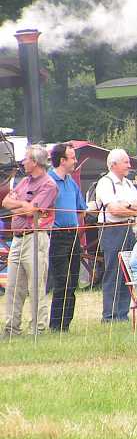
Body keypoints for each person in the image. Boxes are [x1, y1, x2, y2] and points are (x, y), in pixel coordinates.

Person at [2, 145, 58, 338]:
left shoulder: (49, 185)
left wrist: (23, 207)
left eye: (26, 159)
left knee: (36, 286)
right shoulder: (23, 181)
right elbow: (6, 203)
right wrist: (23, 206)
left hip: (36, 238)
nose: (23, 162)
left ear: (35, 162)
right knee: (13, 287)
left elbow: (31, 212)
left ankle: (38, 330)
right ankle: (11, 329)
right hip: (17, 240)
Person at [95, 149, 137, 322]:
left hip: (128, 228)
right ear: (114, 164)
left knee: (127, 271)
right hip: (111, 230)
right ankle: (109, 315)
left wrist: (127, 204)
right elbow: (113, 210)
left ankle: (122, 314)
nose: (129, 165)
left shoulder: (128, 184)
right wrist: (131, 209)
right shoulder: (105, 182)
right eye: (125, 162)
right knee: (113, 271)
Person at [47, 142, 88, 331]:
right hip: (56, 237)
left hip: (73, 237)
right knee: (61, 281)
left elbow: (81, 209)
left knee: (72, 282)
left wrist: (78, 231)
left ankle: (66, 324)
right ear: (62, 160)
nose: (75, 161)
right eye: (72, 158)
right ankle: (56, 325)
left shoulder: (71, 182)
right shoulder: (48, 182)